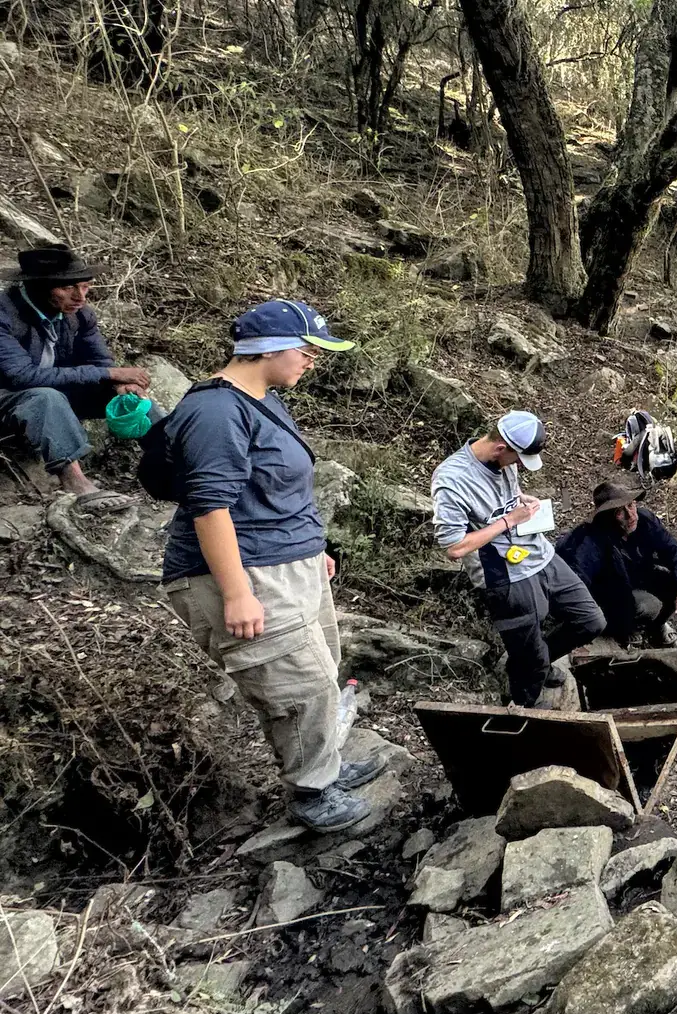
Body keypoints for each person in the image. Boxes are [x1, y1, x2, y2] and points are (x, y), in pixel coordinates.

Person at [160, 299, 380, 833]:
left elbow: (274, 487)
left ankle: (325, 768)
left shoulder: (262, 398)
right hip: (244, 572)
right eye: (306, 350)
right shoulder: (215, 412)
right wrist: (236, 593)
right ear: (270, 348)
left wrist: (313, 548)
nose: (312, 360)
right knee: (294, 687)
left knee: (321, 676)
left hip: (290, 562)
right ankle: (311, 794)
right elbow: (210, 507)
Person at [432, 410, 606, 707]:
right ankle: (525, 704)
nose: (518, 467)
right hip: (505, 574)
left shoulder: (501, 462)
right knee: (530, 654)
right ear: (501, 448)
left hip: (540, 555)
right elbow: (455, 548)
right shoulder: (452, 480)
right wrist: (510, 520)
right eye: (517, 459)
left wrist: (521, 499)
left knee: (591, 621)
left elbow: (504, 496)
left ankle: (532, 662)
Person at [0, 245, 151, 511]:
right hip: (9, 397)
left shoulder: (79, 315)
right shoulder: (4, 314)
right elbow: (20, 376)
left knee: (127, 392)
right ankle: (76, 484)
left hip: (48, 393)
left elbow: (99, 362)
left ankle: (173, 455)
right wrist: (108, 373)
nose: (80, 297)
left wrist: (118, 382)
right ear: (39, 286)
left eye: (85, 287)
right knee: (45, 397)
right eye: (69, 288)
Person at [557, 480, 677, 647]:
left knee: (672, 583)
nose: (631, 515)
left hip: (637, 575)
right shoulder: (590, 540)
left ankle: (655, 627)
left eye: (631, 505)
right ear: (607, 516)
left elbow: (674, 550)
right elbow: (575, 584)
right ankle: (624, 631)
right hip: (607, 594)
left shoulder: (645, 520)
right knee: (644, 605)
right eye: (619, 512)